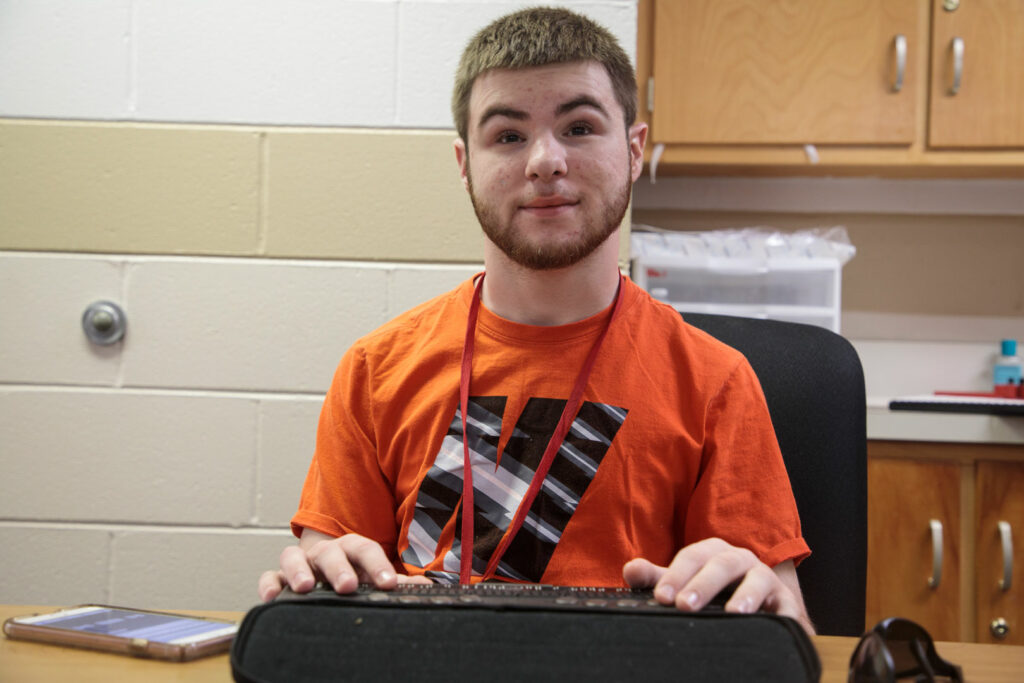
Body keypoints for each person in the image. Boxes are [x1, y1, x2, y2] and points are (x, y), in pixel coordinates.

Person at [258, 6, 814, 636]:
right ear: (465, 163)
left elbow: (789, 632)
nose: (545, 161)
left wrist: (765, 605)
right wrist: (313, 589)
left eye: (579, 127)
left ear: (634, 150)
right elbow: (323, 613)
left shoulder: (716, 382)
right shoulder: (374, 371)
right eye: (509, 136)